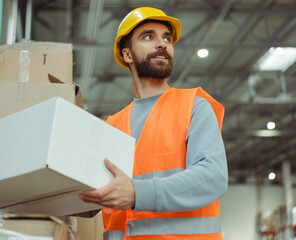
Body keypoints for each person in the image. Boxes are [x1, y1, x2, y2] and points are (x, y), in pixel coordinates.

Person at [79, 7, 228, 240]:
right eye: (149, 36)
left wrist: (138, 193)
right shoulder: (111, 126)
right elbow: (90, 196)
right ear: (127, 55)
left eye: (167, 38)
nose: (162, 44)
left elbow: (213, 177)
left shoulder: (195, 107)